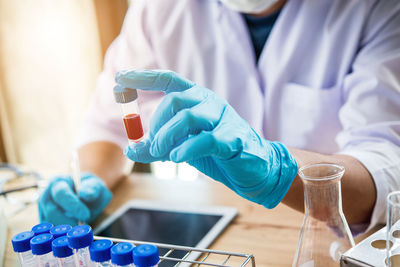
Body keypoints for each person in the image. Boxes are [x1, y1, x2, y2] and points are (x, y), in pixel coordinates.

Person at [39, 0, 400, 234]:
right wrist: (87, 182)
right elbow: (109, 124)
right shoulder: (158, 9)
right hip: (219, 225)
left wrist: (279, 170)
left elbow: (386, 168)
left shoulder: (378, 9)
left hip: (327, 237)